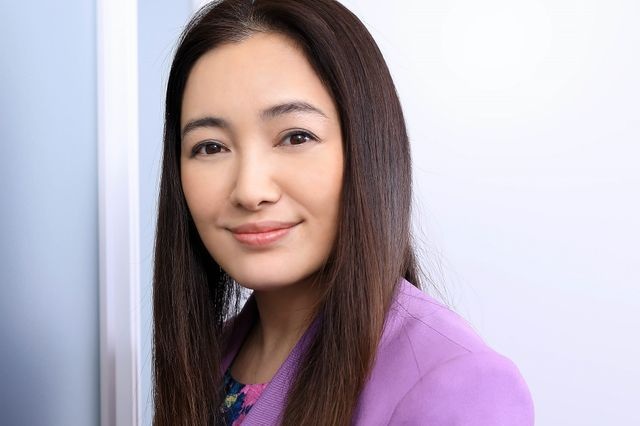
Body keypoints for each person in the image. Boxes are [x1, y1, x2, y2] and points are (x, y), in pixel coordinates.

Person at [152, 0, 535, 424]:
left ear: (366, 150)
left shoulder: (458, 384)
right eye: (210, 147)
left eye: (296, 137)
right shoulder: (209, 360)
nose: (250, 190)